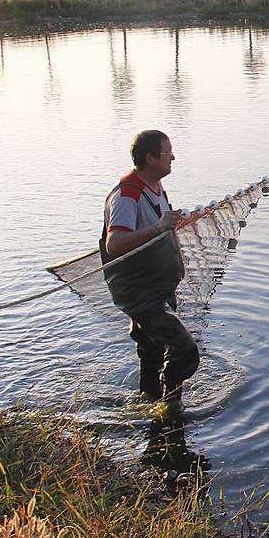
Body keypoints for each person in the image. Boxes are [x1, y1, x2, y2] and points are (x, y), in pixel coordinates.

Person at [100, 129, 199, 403]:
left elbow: (155, 228)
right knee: (185, 349)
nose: (173, 158)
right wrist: (158, 227)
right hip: (139, 291)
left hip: (158, 286)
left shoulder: (154, 187)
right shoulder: (127, 194)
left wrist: (172, 224)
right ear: (150, 158)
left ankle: (150, 405)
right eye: (168, 154)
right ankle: (169, 405)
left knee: (152, 351)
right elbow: (115, 244)